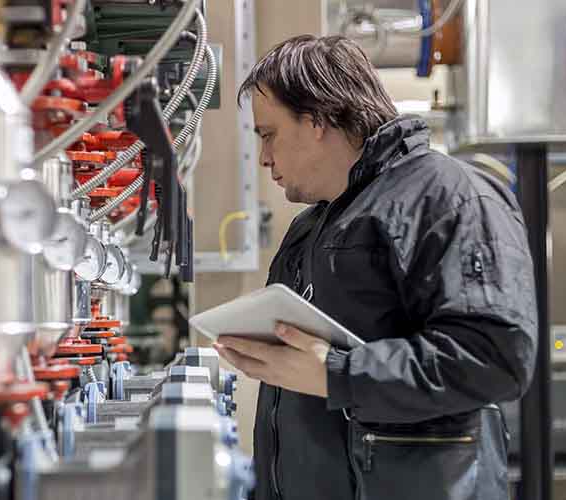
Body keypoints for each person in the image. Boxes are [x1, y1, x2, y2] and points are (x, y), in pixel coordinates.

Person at [214, 34, 537, 500]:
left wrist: (337, 374)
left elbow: (494, 358)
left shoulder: (450, 198)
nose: (264, 158)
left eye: (269, 134)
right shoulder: (315, 225)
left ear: (319, 118)